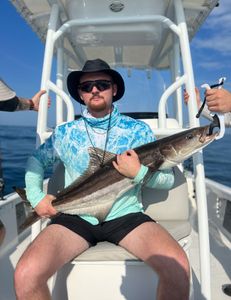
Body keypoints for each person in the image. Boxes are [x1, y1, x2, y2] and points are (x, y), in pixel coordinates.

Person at [14, 59, 190, 300]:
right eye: (87, 87)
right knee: (26, 274)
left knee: (178, 269)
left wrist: (137, 173)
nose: (94, 90)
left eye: (102, 84)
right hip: (75, 217)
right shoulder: (65, 133)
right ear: (80, 94)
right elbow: (36, 162)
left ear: (114, 89)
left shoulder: (138, 131)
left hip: (126, 216)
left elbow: (167, 181)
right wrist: (36, 198)